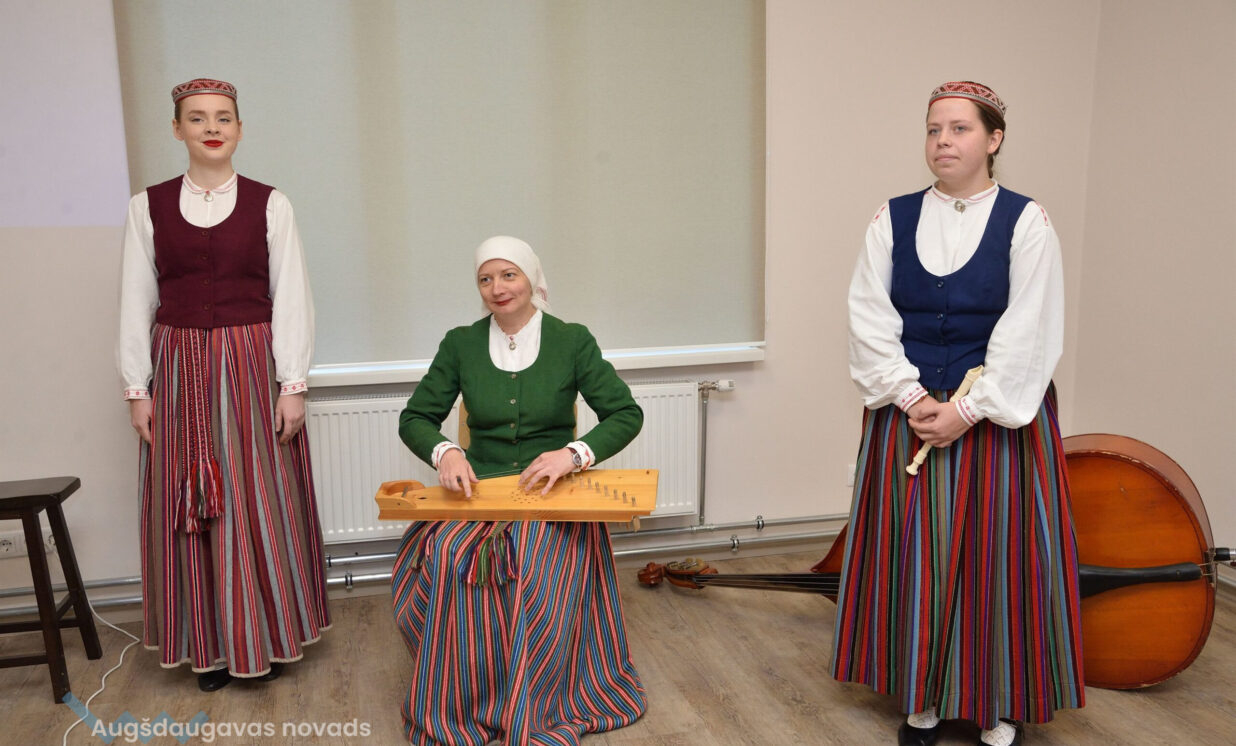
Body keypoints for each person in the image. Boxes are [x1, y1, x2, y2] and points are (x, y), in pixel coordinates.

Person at [830, 81, 1084, 746]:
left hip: (996, 420)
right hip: (908, 413)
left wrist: (969, 409)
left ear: (994, 139)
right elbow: (868, 317)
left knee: (993, 559)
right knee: (914, 557)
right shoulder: (891, 218)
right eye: (933, 128)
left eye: (960, 129)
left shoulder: (1027, 222)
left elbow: (1032, 330)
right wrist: (913, 398)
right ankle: (923, 700)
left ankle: (994, 707)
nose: (943, 140)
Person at [117, 78, 331, 692]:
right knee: (190, 503)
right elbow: (137, 298)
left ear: (239, 129)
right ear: (177, 128)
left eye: (223, 117)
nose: (211, 127)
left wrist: (292, 383)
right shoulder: (146, 206)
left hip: (250, 364)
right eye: (197, 117)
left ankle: (268, 636)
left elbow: (291, 296)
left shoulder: (271, 203)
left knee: (259, 499)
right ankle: (207, 650)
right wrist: (138, 388)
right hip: (179, 368)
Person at [393, 236, 647, 745]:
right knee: (447, 555)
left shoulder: (572, 340)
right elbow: (415, 417)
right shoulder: (460, 344)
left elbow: (626, 413)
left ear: (531, 278)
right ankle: (465, 699)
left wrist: (573, 455)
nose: (497, 288)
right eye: (485, 279)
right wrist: (448, 453)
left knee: (533, 562)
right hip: (479, 491)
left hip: (554, 494)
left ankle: (538, 696)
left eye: (508, 275)